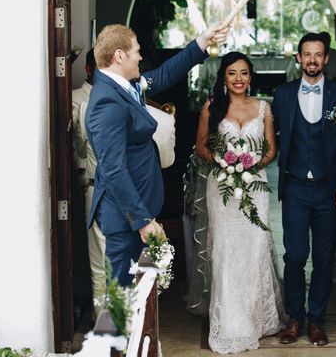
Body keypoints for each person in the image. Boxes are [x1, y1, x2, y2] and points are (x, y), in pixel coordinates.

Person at [86, 23, 228, 286]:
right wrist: (141, 221)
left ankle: (130, 329)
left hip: (137, 211)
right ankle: (113, 330)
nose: (141, 57)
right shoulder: (107, 101)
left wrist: (202, 42)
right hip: (125, 218)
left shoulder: (126, 86)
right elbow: (114, 169)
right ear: (119, 56)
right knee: (121, 297)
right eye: (136, 52)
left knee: (136, 299)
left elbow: (163, 75)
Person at [272, 32, 336, 346]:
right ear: (298, 58)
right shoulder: (282, 95)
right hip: (295, 187)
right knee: (295, 256)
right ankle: (294, 317)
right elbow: (269, 139)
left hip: (329, 189)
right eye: (306, 54)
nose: (312, 60)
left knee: (324, 258)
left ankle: (317, 320)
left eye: (317, 54)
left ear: (325, 59)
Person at [195, 52, 284, 354]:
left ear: (251, 77)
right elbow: (201, 148)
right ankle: (231, 323)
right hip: (222, 190)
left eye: (243, 73)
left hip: (254, 189)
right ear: (223, 77)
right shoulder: (212, 107)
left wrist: (254, 163)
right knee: (226, 251)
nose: (238, 79)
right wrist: (223, 161)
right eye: (232, 73)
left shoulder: (263, 108)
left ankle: (255, 318)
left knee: (254, 249)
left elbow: (271, 149)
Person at [71, 48, 106, 314]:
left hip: (118, 190)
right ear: (89, 69)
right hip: (88, 184)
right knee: (96, 261)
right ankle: (101, 322)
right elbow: (76, 151)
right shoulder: (76, 102)